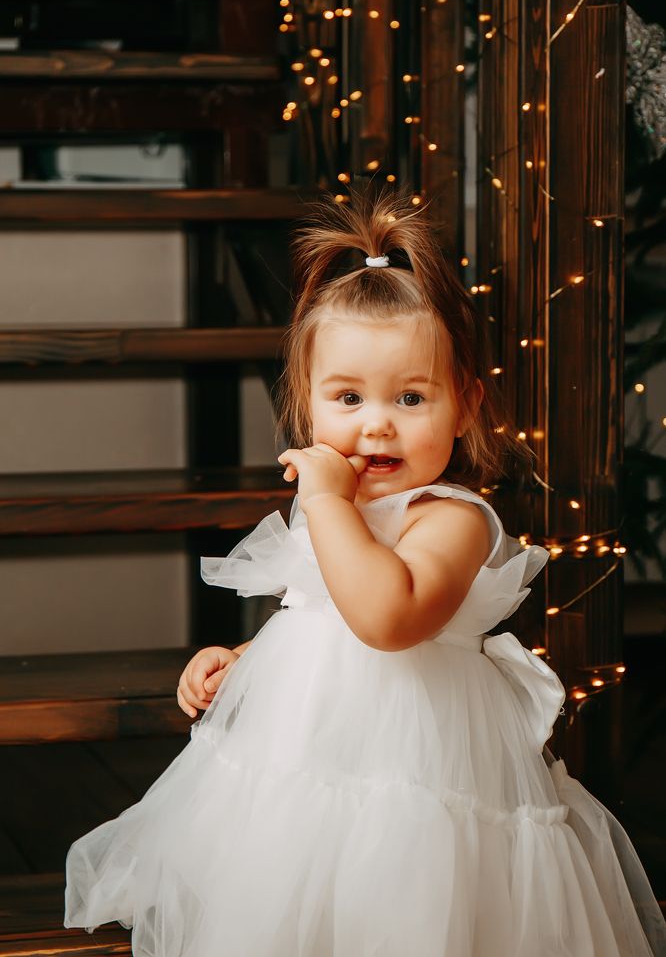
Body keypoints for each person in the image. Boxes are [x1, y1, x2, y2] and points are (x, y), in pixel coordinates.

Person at [64, 191, 666, 956]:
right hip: (310, 758)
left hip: (416, 770)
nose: (376, 422)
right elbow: (320, 618)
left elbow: (385, 619)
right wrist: (244, 661)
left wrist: (324, 502)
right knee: (293, 900)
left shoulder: (450, 519)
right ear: (307, 405)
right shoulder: (341, 506)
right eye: (347, 397)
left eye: (411, 397)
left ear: (465, 407)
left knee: (395, 904)